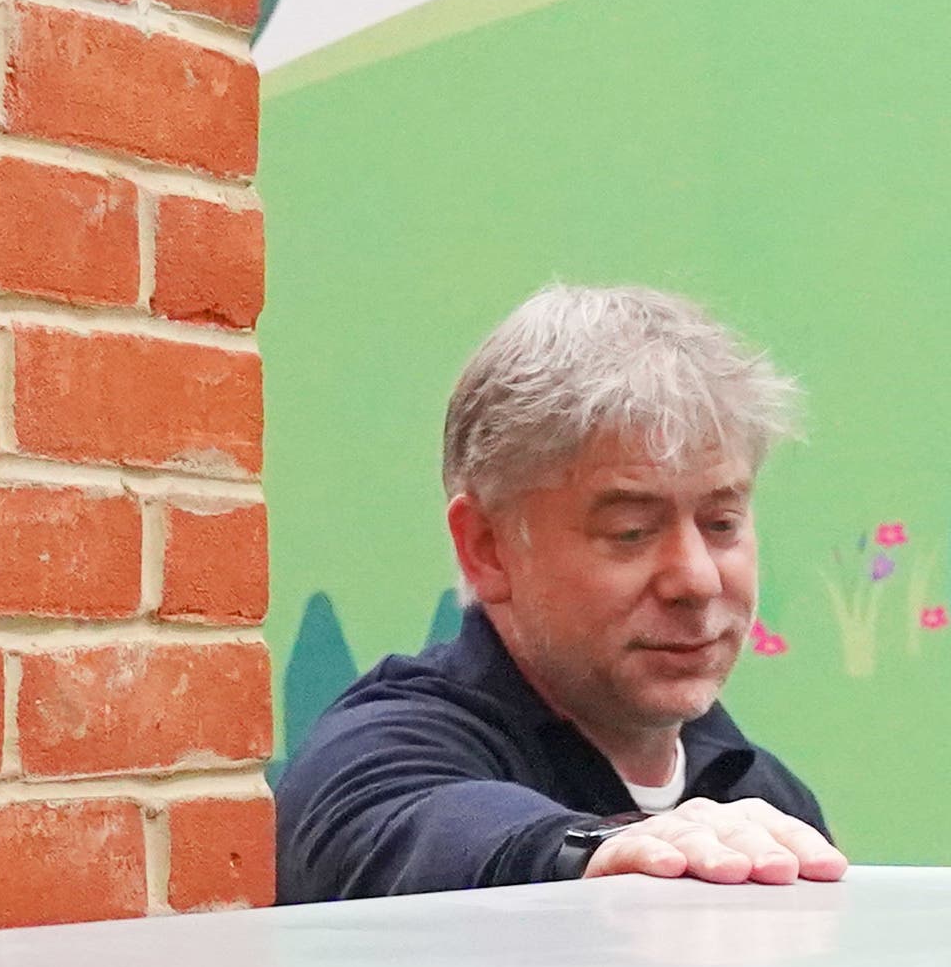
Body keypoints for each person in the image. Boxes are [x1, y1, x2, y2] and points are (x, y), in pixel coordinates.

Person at [275, 283, 849, 901]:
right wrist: (602, 852)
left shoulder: (765, 802)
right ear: (488, 548)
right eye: (631, 531)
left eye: (722, 524)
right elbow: (405, 828)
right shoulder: (379, 753)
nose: (697, 580)